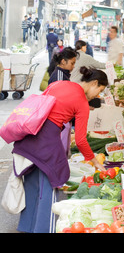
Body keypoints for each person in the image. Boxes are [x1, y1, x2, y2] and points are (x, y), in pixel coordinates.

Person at [12, 67, 108, 233]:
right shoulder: (82, 103)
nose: (97, 95)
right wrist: (94, 162)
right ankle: (44, 229)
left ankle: (27, 227)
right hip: (46, 142)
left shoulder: (60, 84)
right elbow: (80, 140)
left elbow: (40, 106)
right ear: (94, 83)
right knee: (52, 183)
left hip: (28, 136)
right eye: (100, 90)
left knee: (33, 185)